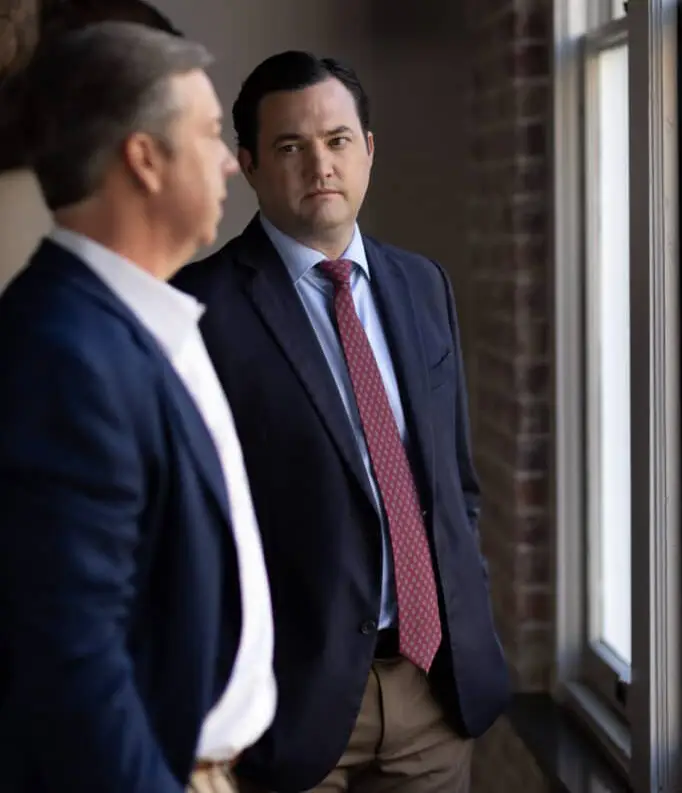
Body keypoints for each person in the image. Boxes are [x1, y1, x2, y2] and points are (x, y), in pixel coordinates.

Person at [172, 50, 510, 793]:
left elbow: (455, 481)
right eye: (291, 147)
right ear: (250, 165)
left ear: (369, 150)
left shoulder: (423, 284)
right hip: (287, 708)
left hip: (433, 692)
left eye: (337, 140)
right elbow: (181, 533)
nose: (319, 164)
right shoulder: (195, 309)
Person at [0, 22, 276, 793]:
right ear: (145, 158)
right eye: (212, 134)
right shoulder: (64, 354)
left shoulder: (145, 319)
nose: (230, 160)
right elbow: (70, 665)